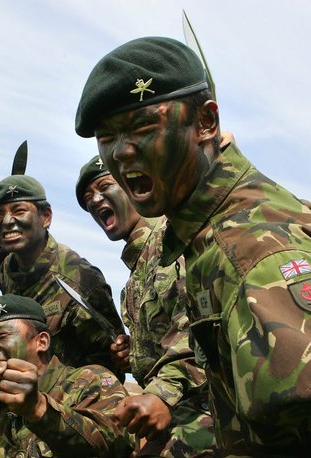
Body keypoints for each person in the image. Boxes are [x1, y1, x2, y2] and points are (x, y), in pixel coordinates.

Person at [75, 36, 311, 455]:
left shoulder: (252, 252)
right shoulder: (202, 237)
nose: (122, 152)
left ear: (206, 124)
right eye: (107, 137)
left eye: (144, 127)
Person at [76, 155, 214, 456]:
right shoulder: (133, 280)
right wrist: (135, 353)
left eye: (104, 186)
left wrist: (162, 395)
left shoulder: (174, 239)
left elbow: (198, 333)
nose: (95, 200)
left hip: (213, 407)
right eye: (88, 199)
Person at [0, 294, 133, 458]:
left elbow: (117, 446)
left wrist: (37, 408)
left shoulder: (90, 381)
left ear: (42, 341)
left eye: (3, 335)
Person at [0, 173, 124, 375]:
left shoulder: (80, 280)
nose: (6, 221)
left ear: (46, 217)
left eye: (19, 211)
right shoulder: (7, 267)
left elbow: (110, 364)